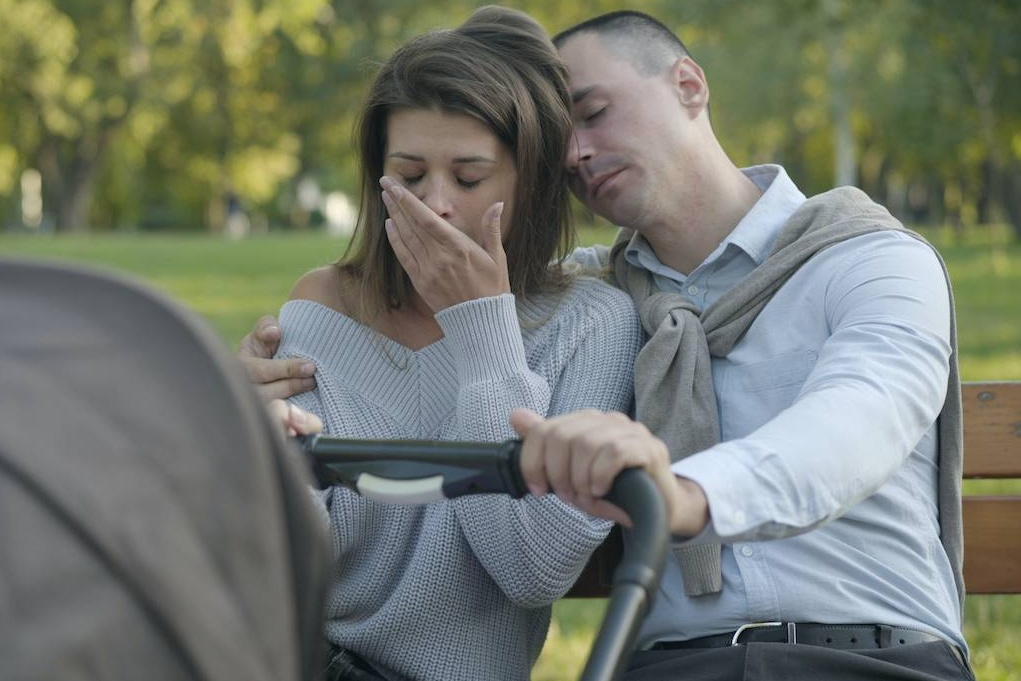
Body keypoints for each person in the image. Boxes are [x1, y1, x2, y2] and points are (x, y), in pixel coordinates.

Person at [241, 8, 971, 681]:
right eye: (559, 146)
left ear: (687, 85)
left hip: (880, 652)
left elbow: (853, 424)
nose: (578, 155)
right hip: (674, 666)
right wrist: (228, 415)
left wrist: (682, 497)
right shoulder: (601, 296)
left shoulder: (868, 261)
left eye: (592, 113)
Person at [247, 6, 642, 681]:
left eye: (467, 177)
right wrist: (257, 447)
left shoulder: (592, 324)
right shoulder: (322, 307)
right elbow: (293, 569)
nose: (433, 204)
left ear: (533, 180)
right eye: (408, 172)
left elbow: (531, 567)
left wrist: (480, 326)